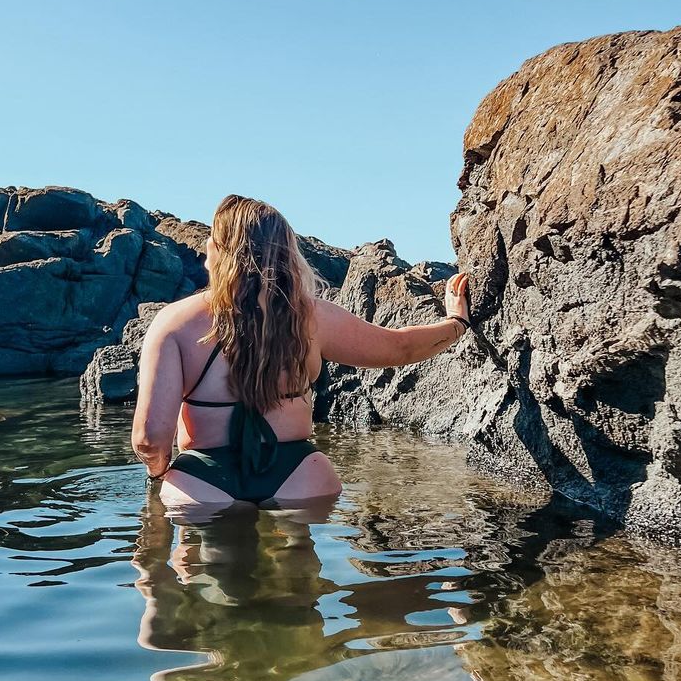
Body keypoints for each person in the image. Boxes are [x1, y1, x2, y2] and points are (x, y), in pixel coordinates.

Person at [132, 194, 471, 510]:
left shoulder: (173, 324)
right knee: (298, 570)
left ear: (216, 249)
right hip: (300, 477)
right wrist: (457, 322)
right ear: (284, 254)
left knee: (201, 565)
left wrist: (161, 475)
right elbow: (401, 347)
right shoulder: (312, 317)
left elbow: (149, 439)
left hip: (203, 484)